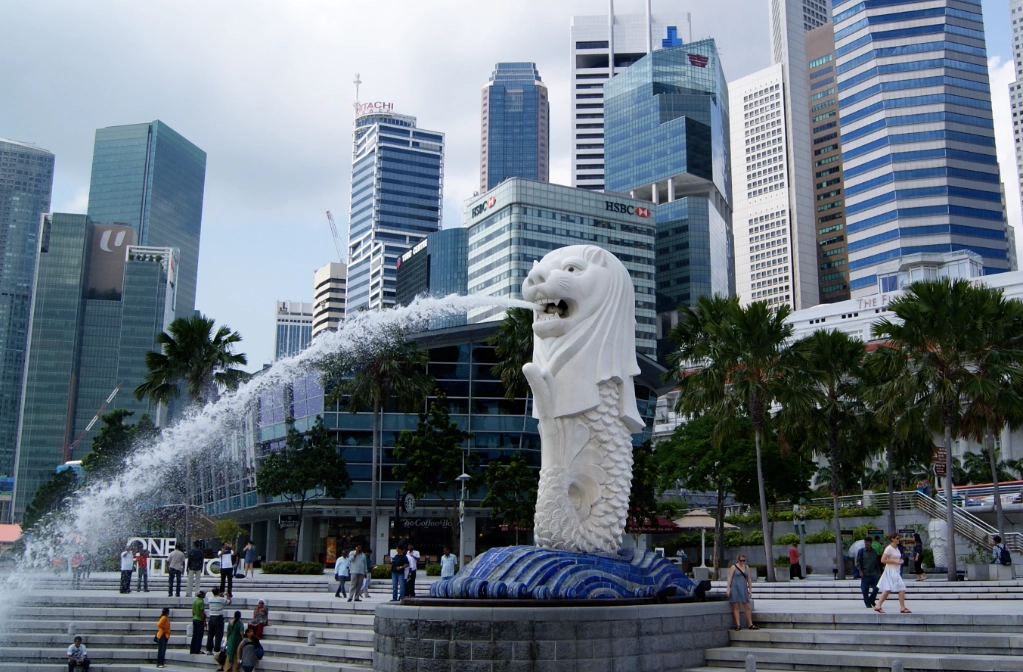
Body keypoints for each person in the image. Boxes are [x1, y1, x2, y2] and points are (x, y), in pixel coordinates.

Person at [874, 533, 910, 614]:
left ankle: (878, 605)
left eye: (898, 538)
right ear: (892, 539)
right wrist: (894, 561)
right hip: (891, 571)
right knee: (901, 587)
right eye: (897, 538)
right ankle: (902, 607)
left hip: (895, 570)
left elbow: (896, 558)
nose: (898, 540)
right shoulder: (889, 548)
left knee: (887, 589)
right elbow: (883, 560)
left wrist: (900, 561)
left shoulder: (896, 548)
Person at [725, 554, 757, 631]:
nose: (742, 562)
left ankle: (750, 624)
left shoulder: (746, 567)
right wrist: (728, 588)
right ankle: (738, 624)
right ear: (738, 560)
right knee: (736, 606)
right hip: (735, 587)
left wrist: (750, 589)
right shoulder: (733, 567)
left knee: (747, 606)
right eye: (741, 560)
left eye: (743, 560)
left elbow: (749, 578)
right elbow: (729, 578)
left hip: (743, 587)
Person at [856, 537, 882, 608]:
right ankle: (868, 603)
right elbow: (858, 562)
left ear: (871, 543)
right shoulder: (861, 551)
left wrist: (879, 572)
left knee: (876, 588)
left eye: (867, 542)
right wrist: (860, 571)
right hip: (865, 573)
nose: (866, 544)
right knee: (865, 589)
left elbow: (877, 562)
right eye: (865, 542)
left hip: (874, 573)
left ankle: (871, 599)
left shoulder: (874, 551)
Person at [206, 587, 230, 654]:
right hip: (218, 617)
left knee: (210, 635)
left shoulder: (209, 599)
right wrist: (227, 596)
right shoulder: (221, 599)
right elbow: (228, 602)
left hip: (211, 617)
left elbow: (216, 598)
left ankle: (209, 649)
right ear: (218, 592)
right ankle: (217, 649)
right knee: (218, 635)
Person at [190, 590, 207, 654]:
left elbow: (193, 611)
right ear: (201, 595)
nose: (205, 595)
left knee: (194, 635)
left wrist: (193, 617)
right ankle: (197, 650)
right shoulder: (201, 602)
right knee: (199, 636)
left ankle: (192, 649)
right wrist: (204, 621)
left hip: (195, 619)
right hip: (199, 620)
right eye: (204, 594)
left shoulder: (195, 601)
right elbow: (201, 613)